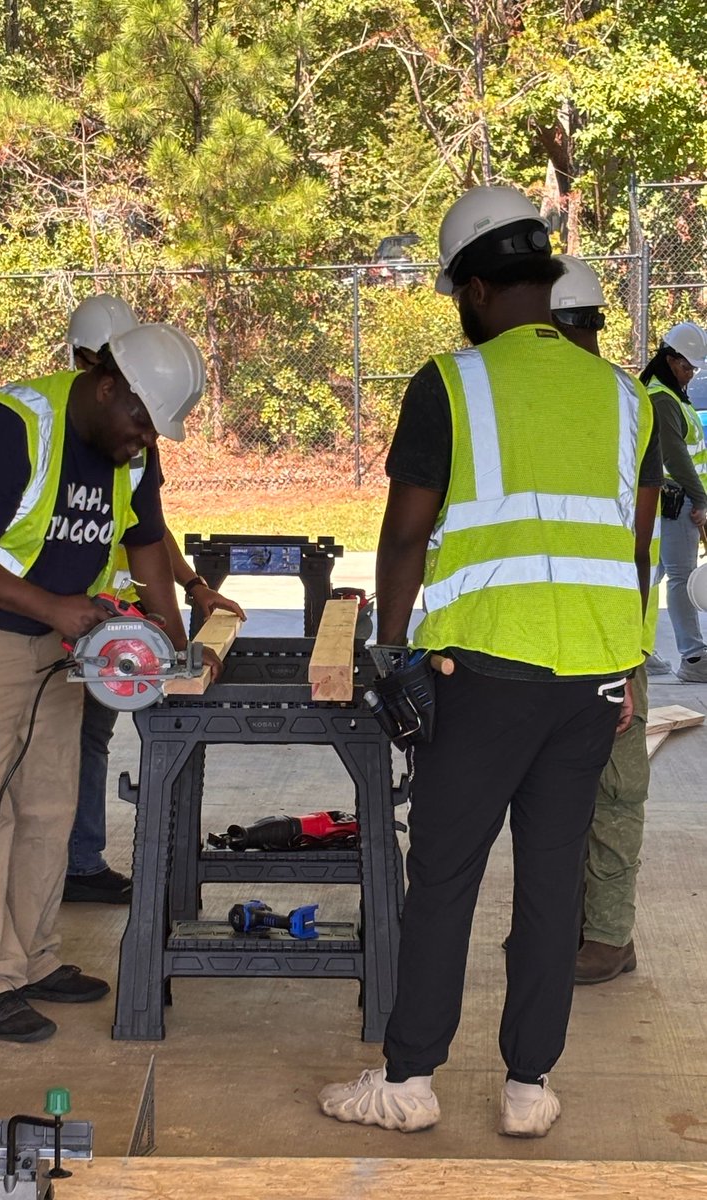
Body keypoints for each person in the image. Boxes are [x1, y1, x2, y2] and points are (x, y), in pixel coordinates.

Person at [318, 186, 660, 1138]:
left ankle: (409, 1080)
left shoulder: (451, 383)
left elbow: (405, 536)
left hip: (483, 676)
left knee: (445, 879)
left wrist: (391, 652)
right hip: (590, 685)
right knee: (552, 882)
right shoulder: (627, 397)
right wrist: (625, 669)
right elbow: (627, 551)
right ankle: (528, 1088)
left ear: (472, 287)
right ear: (546, 281)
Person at [0, 321, 222, 1044]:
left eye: (157, 430)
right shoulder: (7, 425)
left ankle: (30, 960)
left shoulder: (128, 455)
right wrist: (55, 608)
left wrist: (178, 644)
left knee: (46, 806)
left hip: (55, 641)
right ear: (105, 385)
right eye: (139, 420)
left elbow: (146, 542)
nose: (145, 439)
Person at [61, 295, 245, 903]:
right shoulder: (61, 429)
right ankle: (75, 863)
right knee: (67, 743)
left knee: (112, 731)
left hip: (115, 616)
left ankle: (87, 861)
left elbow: (147, 528)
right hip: (62, 615)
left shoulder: (135, 431)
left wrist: (189, 592)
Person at [550, 256, 653, 985]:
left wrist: (624, 657)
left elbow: (637, 544)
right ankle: (585, 928)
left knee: (611, 791)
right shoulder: (618, 399)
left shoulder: (622, 403)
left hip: (599, 633)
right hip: (584, 627)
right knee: (577, 790)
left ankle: (609, 938)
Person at [640, 322, 707, 681]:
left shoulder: (667, 394)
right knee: (680, 577)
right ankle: (695, 658)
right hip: (676, 501)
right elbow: (676, 457)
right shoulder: (662, 399)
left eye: (694, 368)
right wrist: (700, 499)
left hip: (672, 501)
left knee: (654, 575)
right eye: (686, 366)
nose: (690, 373)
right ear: (669, 359)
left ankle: (640, 651)